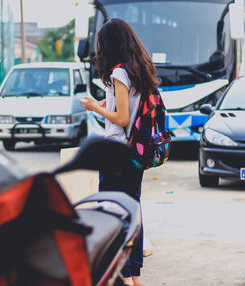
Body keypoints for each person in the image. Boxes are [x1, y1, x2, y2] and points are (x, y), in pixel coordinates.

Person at [80, 18, 158, 286]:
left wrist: (94, 107)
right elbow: (128, 107)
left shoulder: (118, 72)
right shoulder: (137, 69)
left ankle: (124, 276)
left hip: (116, 153)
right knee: (132, 212)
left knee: (114, 214)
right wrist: (108, 101)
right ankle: (135, 277)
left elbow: (122, 118)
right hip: (133, 153)